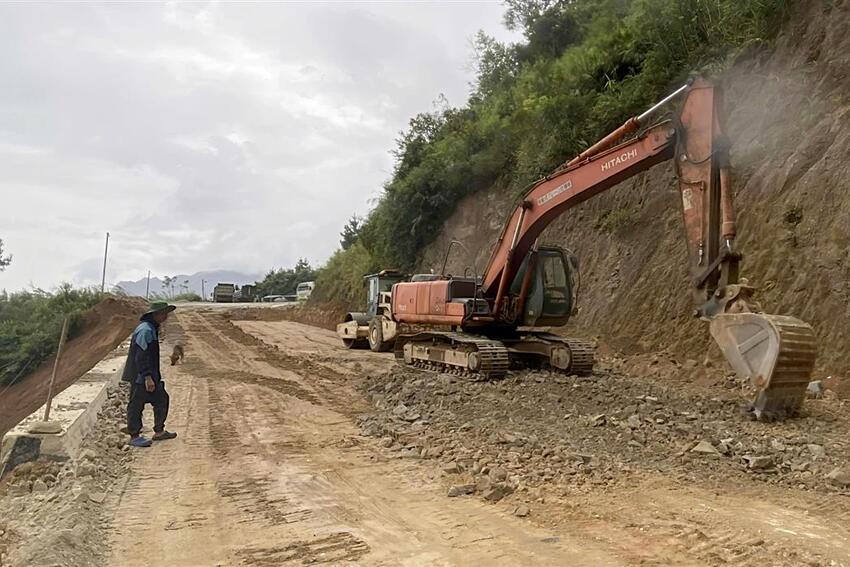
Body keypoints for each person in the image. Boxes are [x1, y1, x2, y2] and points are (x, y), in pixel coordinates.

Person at [123, 301, 178, 447]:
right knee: (136, 405)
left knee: (161, 399)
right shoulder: (145, 330)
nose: (166, 316)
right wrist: (147, 377)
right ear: (156, 314)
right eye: (164, 313)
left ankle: (159, 431)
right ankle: (134, 436)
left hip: (150, 374)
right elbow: (141, 356)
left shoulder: (151, 328)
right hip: (141, 376)